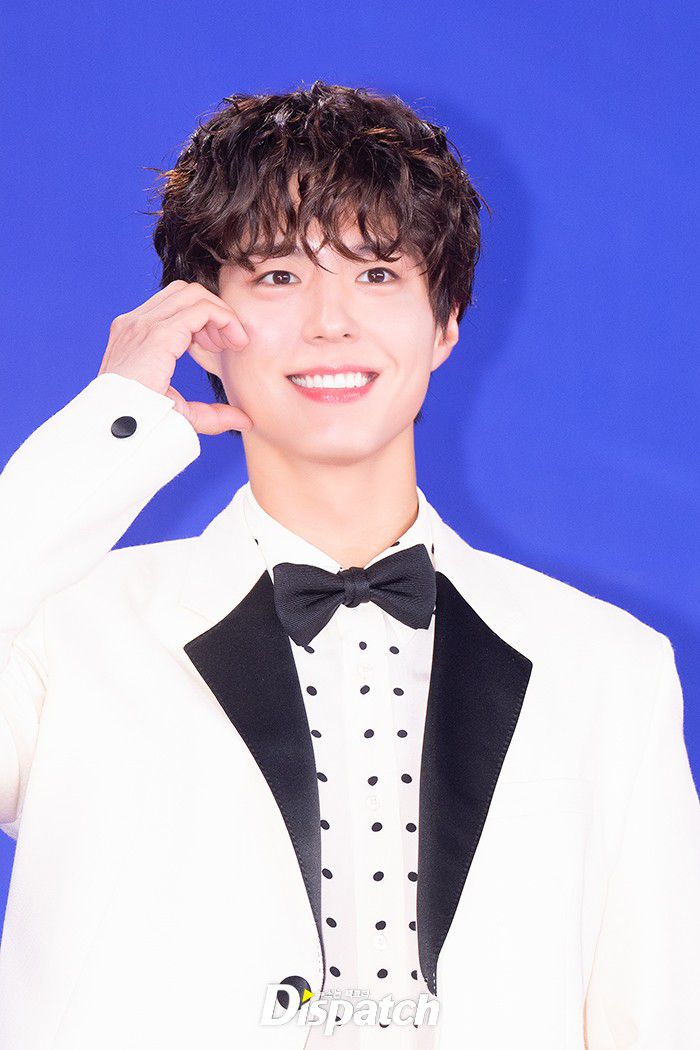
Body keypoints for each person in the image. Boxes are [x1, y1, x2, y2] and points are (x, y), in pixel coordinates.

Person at [0, 79, 698, 1050]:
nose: (331, 321)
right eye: (278, 275)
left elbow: (657, 1017)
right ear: (201, 325)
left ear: (445, 321)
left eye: (376, 273)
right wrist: (107, 429)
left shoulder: (607, 667)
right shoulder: (64, 632)